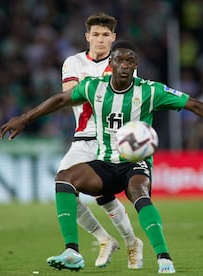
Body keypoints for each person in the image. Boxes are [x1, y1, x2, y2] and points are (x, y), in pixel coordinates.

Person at [0, 41, 203, 273]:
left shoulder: (150, 91)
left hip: (134, 164)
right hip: (103, 163)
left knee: (139, 193)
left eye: (129, 61)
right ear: (111, 63)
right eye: (119, 60)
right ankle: (72, 251)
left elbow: (194, 104)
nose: (124, 65)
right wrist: (24, 118)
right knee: (64, 179)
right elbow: (59, 100)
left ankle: (164, 257)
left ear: (136, 64)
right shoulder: (93, 87)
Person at [55, 13, 143, 269]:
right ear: (87, 37)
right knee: (64, 183)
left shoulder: (124, 62)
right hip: (83, 138)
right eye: (96, 35)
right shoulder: (73, 62)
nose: (100, 40)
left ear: (113, 38)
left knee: (104, 195)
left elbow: (129, 99)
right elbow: (70, 97)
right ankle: (99, 240)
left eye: (106, 35)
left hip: (114, 139)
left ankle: (130, 241)